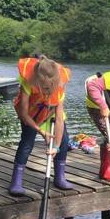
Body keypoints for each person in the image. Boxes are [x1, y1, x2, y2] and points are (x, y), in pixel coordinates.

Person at [9, 55, 74, 196]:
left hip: (50, 111)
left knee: (64, 141)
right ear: (37, 81)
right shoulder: (28, 82)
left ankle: (60, 177)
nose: (47, 91)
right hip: (31, 114)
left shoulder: (59, 86)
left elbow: (59, 119)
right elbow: (24, 114)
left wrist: (55, 146)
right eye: (44, 88)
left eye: (50, 87)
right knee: (27, 143)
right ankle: (16, 180)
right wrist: (41, 131)